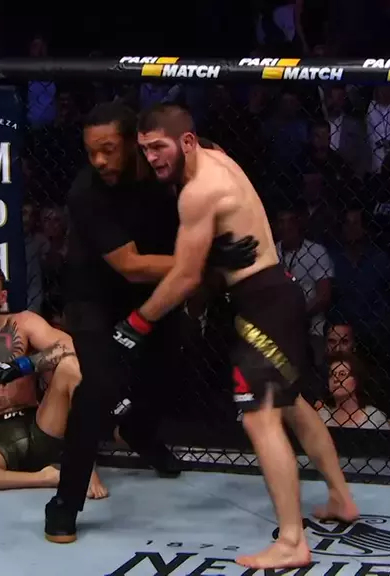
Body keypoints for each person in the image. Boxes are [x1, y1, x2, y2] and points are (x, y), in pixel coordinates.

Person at [114, 103, 360, 570]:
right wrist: (218, 255)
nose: (151, 157)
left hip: (263, 304)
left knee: (259, 419)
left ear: (187, 142)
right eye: (144, 149)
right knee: (293, 406)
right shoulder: (214, 155)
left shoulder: (198, 193)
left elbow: (185, 277)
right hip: (273, 295)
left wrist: (137, 322)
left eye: (159, 147)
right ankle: (341, 499)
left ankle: (292, 541)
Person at [44, 101, 258, 543]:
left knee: (171, 363)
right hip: (94, 297)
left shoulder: (165, 161)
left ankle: (137, 429)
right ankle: (64, 502)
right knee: (100, 387)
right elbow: (131, 265)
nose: (98, 160)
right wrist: (206, 259)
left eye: (108, 149)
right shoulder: (86, 193)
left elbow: (213, 164)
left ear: (133, 144)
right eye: (90, 151)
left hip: (154, 289)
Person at [0, 263, 106, 498]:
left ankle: (84, 462)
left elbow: (71, 347)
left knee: (71, 366)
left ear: (2, 298)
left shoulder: (24, 323)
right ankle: (48, 477)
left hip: (42, 426)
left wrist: (22, 366)